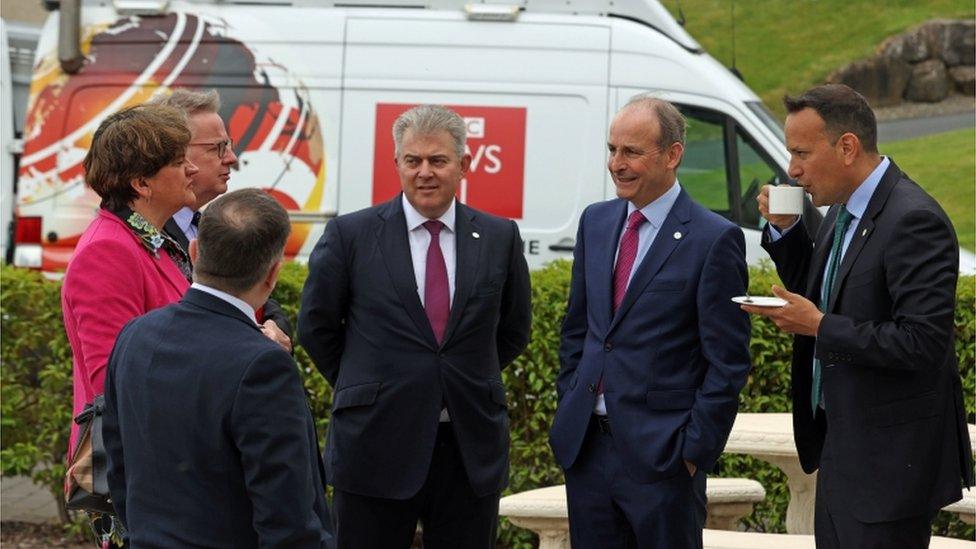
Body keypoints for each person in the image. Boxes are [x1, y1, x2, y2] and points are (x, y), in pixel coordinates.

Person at [742, 84, 973, 549]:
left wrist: (819, 326)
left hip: (888, 470)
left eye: (802, 152)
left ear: (847, 147)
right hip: (841, 453)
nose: (793, 170)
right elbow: (829, 287)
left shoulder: (913, 220)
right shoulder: (841, 209)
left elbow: (921, 343)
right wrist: (786, 234)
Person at [298, 104, 532, 549]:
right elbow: (317, 327)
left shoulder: (500, 237)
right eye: (413, 160)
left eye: (438, 160)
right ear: (397, 164)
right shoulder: (351, 236)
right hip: (375, 443)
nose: (425, 172)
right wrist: (369, 384)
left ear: (463, 165)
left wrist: (454, 379)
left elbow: (513, 329)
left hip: (467, 450)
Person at [549, 95, 752, 549]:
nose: (616, 164)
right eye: (612, 149)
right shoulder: (596, 222)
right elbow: (579, 331)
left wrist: (693, 452)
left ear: (673, 155)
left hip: (664, 462)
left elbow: (728, 361)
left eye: (631, 152)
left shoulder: (713, 239)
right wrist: (570, 403)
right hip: (587, 453)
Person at [102, 189, 335, 548]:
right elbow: (287, 519)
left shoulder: (135, 336)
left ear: (194, 253)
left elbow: (119, 472)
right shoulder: (263, 365)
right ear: (273, 274)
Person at [62, 104, 197, 456]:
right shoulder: (107, 250)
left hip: (161, 453)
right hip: (140, 467)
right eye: (180, 162)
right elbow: (114, 379)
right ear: (141, 183)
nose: (193, 169)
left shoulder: (145, 237)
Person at [149, 88, 292, 350]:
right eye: (217, 147)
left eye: (228, 145)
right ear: (173, 152)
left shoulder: (206, 223)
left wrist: (274, 327)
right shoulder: (145, 234)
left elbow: (254, 290)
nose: (231, 158)